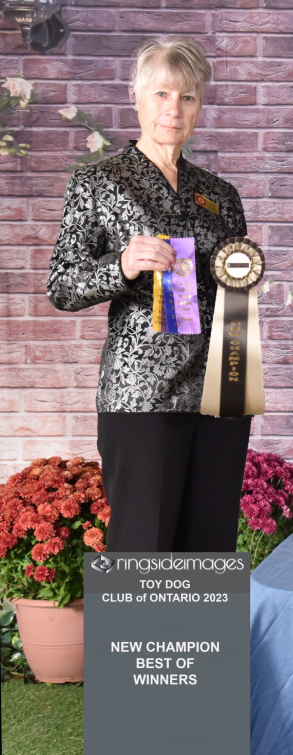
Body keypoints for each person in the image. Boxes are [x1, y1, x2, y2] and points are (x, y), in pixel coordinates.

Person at [47, 37, 251, 552]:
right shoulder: (99, 182)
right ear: (136, 96)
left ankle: (205, 616)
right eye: (161, 93)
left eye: (187, 97)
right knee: (143, 549)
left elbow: (236, 288)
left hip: (222, 387)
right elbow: (62, 285)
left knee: (210, 547)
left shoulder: (220, 195)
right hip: (142, 394)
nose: (173, 109)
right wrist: (122, 265)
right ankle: (139, 615)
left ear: (200, 106)